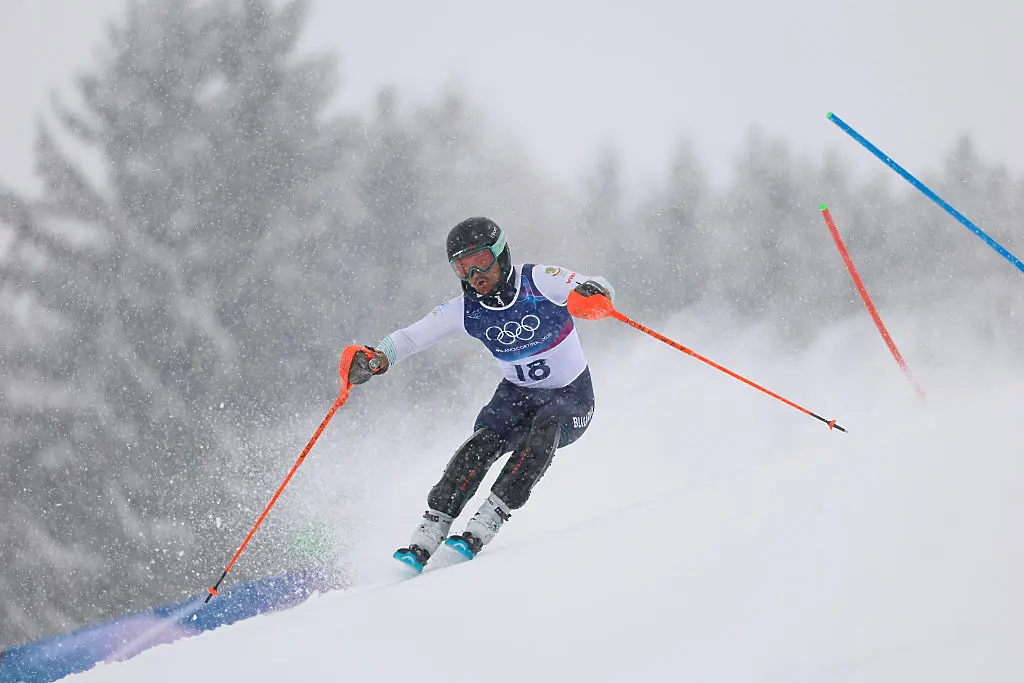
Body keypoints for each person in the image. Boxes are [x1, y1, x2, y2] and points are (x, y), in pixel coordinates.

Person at [347, 217, 615, 571]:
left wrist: (593, 294)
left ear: (502, 255)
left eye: (482, 263)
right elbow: (412, 337)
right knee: (482, 443)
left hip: (572, 396)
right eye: (463, 268)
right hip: (517, 395)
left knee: (545, 429)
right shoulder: (466, 309)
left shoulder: (539, 280)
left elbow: (592, 284)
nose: (476, 277)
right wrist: (377, 357)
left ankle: (488, 519)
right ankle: (431, 528)